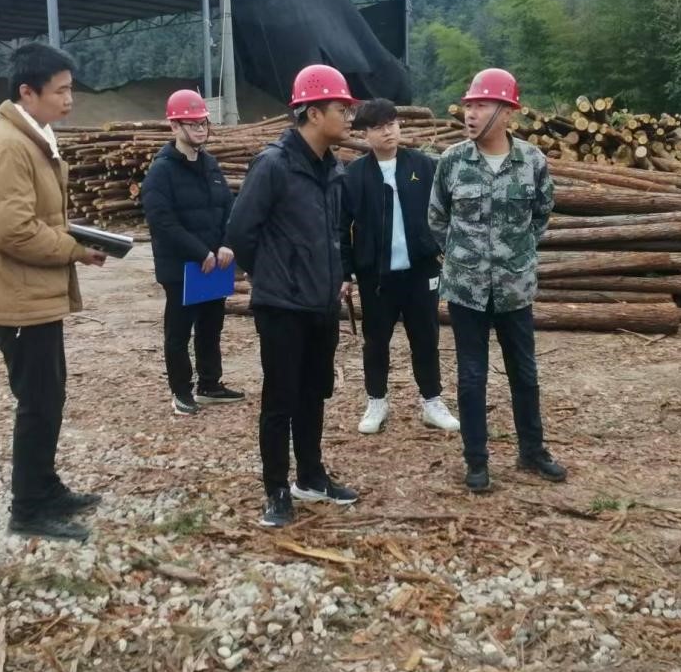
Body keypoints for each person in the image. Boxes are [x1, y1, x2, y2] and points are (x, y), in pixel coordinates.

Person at [0, 42, 107, 542]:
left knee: (49, 395)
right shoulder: (6, 147)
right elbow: (14, 231)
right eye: (60, 91)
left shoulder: (31, 138)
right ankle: (27, 510)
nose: (69, 99)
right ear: (28, 92)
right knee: (38, 403)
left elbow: (34, 218)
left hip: (33, 296)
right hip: (17, 300)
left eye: (70, 89)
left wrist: (77, 240)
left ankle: (46, 488)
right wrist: (74, 249)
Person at [226, 64, 360, 528]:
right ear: (313, 112)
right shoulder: (274, 165)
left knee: (314, 392)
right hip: (282, 305)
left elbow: (335, 233)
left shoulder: (332, 169)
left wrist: (335, 275)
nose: (349, 117)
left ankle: (311, 476)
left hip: (322, 303)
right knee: (280, 398)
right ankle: (277, 489)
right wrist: (275, 276)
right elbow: (240, 232)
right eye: (342, 108)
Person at [428, 68, 566, 493]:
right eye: (468, 105)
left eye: (481, 105)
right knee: (472, 376)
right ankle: (476, 460)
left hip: (514, 288)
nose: (470, 113)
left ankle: (532, 450)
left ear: (508, 112)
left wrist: (514, 254)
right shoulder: (452, 161)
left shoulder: (532, 161)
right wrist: (465, 258)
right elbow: (437, 218)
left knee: (524, 372)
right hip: (466, 290)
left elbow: (542, 214)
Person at [341, 98, 460, 435]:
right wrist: (345, 271)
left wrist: (440, 250)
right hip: (376, 275)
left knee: (425, 337)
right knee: (375, 340)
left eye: (392, 124)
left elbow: (445, 211)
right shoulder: (354, 175)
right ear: (365, 134)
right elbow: (340, 227)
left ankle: (432, 401)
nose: (388, 132)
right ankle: (376, 401)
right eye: (378, 127)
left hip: (420, 270)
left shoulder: (423, 165)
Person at [140, 89, 245, 416]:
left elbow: (229, 208)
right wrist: (200, 252)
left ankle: (210, 384)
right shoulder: (161, 172)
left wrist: (227, 244)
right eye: (193, 124)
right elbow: (162, 222)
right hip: (183, 267)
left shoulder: (210, 164)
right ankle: (181, 391)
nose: (201, 129)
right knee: (179, 331)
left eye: (203, 123)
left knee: (211, 326)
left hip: (215, 263)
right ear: (174, 126)